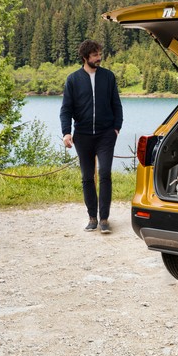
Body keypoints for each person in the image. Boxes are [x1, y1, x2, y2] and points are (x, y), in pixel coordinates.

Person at [60, 40, 123, 234]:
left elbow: (116, 104)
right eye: (95, 55)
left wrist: (116, 128)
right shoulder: (73, 79)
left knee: (104, 174)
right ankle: (92, 218)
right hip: (83, 135)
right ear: (85, 57)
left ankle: (104, 219)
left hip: (106, 135)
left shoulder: (108, 77)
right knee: (87, 177)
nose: (99, 58)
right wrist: (66, 132)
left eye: (99, 54)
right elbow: (66, 109)